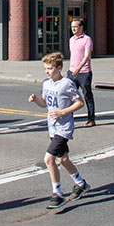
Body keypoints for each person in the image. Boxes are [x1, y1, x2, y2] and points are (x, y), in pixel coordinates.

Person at [28, 52, 91, 209]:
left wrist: (63, 112)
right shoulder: (46, 84)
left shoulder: (67, 84)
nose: (48, 72)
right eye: (45, 69)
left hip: (63, 128)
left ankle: (57, 194)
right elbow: (45, 104)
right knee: (63, 160)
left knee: (49, 160)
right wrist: (37, 101)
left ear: (59, 68)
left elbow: (79, 102)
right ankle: (80, 183)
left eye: (50, 68)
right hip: (52, 127)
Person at [67, 18, 96, 127]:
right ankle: (69, 118)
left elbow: (87, 56)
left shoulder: (87, 39)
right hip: (72, 72)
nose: (73, 29)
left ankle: (91, 119)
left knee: (87, 95)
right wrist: (71, 70)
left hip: (84, 73)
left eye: (75, 26)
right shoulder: (71, 39)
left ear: (81, 27)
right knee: (70, 96)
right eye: (72, 27)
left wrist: (79, 68)